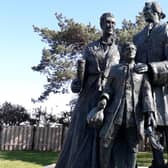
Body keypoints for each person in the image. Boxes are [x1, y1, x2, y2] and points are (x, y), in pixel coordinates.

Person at [55, 12, 120, 168]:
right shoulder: (90, 48)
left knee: (106, 135)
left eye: (112, 23)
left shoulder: (118, 50)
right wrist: (76, 83)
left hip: (109, 95)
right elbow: (80, 75)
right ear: (101, 24)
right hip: (89, 94)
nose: (110, 25)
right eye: (107, 22)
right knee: (83, 133)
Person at [87, 42, 155, 168]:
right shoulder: (115, 69)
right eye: (127, 48)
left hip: (134, 115)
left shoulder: (141, 71)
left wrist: (149, 112)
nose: (130, 50)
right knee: (105, 141)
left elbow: (146, 93)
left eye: (133, 48)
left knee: (133, 145)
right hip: (114, 113)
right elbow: (108, 88)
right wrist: (104, 99)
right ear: (123, 52)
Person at [133, 1, 168, 168]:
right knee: (151, 127)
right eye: (143, 9)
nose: (144, 11)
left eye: (148, 9)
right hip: (144, 89)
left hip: (164, 87)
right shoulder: (137, 37)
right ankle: (158, 162)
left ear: (157, 11)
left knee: (165, 124)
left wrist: (151, 67)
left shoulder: (165, 29)